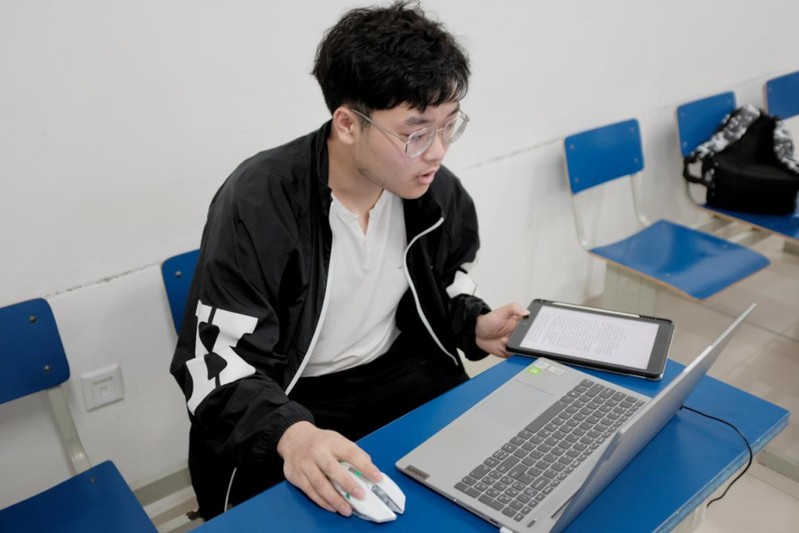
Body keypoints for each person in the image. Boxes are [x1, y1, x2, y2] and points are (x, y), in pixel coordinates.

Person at [170, 0, 528, 521]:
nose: (438, 151)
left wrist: (472, 323)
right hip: (294, 393)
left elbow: (445, 282)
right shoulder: (259, 201)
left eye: (450, 125)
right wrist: (293, 435)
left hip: (403, 371)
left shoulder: (433, 191)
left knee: (486, 494)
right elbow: (212, 363)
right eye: (416, 132)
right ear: (347, 123)